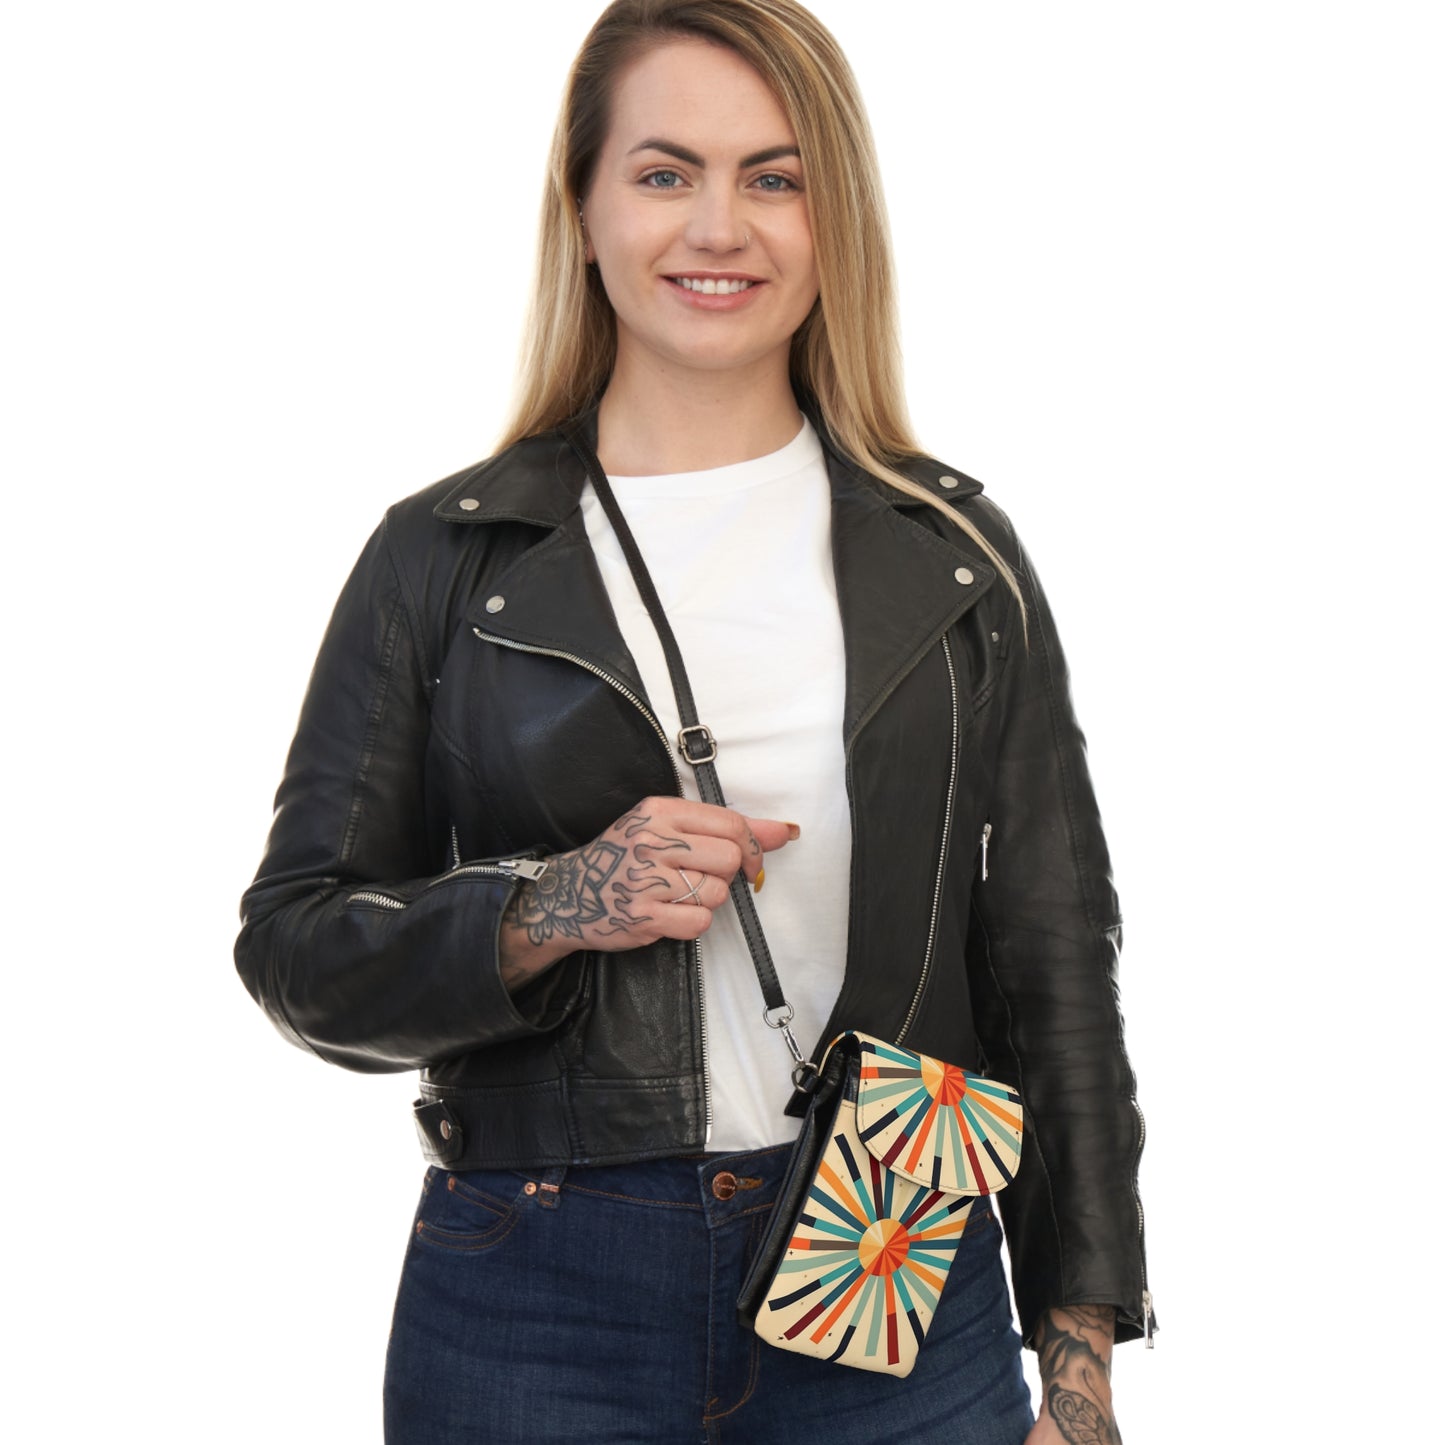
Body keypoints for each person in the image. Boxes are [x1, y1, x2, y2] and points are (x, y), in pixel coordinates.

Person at [235, 2, 1152, 1440]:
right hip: (538, 1287)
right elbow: (296, 948)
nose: (719, 227)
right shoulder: (443, 557)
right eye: (665, 173)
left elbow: (1054, 959)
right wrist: (548, 905)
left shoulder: (952, 553)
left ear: (833, 219)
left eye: (774, 177)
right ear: (585, 208)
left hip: (893, 1263)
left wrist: (1080, 1368)